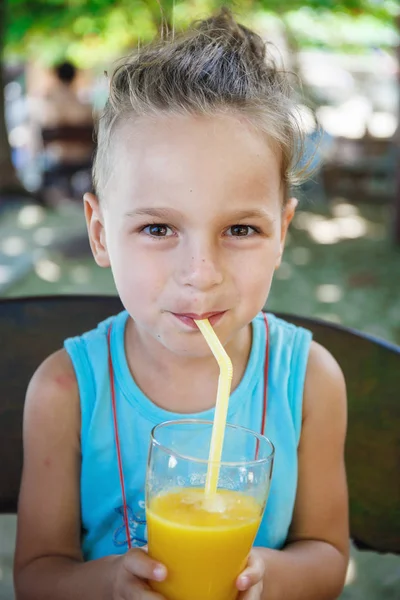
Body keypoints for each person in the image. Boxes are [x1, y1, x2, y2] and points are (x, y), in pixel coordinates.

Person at [13, 9, 349, 600]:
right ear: (99, 233)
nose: (201, 274)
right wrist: (109, 585)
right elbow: (39, 574)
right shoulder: (64, 393)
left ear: (282, 233)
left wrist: (270, 578)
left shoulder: (308, 382)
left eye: (241, 230)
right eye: (158, 228)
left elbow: (326, 555)